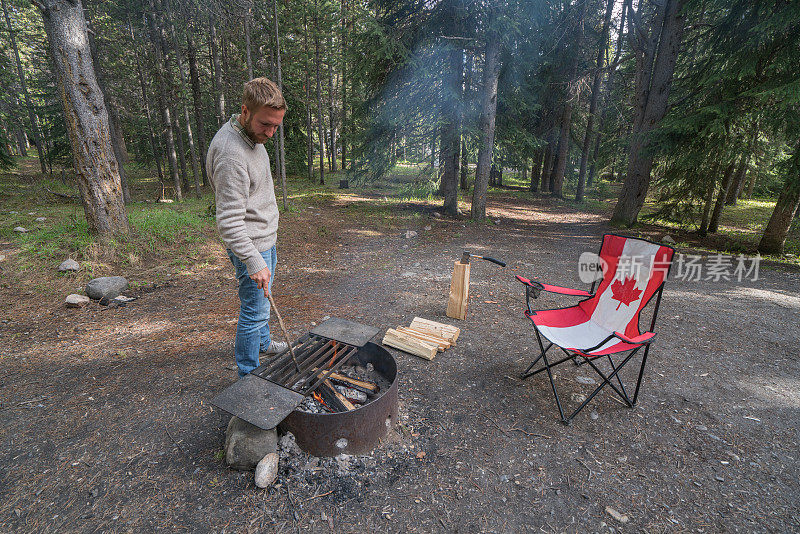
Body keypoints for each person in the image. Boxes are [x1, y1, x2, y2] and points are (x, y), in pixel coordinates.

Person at [207, 77, 288, 378]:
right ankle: (248, 377)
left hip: (264, 239)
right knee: (254, 313)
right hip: (251, 245)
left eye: (276, 126)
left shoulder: (253, 138)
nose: (270, 132)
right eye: (265, 124)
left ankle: (264, 344)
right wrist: (253, 260)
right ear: (244, 111)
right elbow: (228, 222)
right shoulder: (231, 154)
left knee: (262, 306)